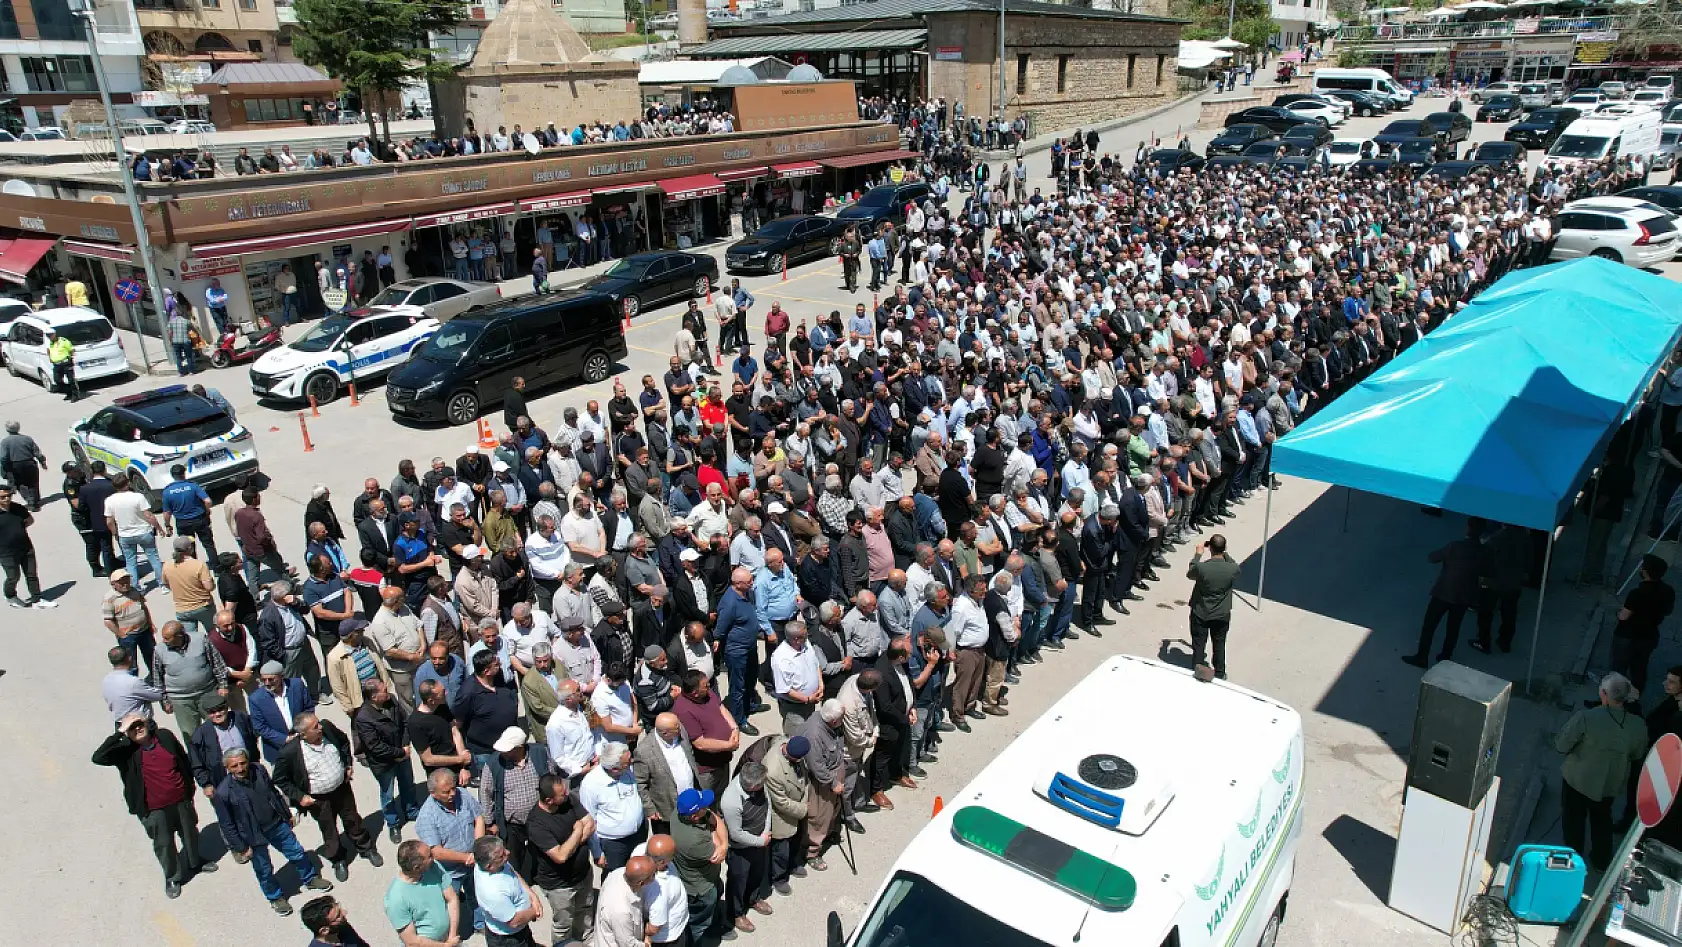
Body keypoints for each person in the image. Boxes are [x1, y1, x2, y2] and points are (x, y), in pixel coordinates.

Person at [92, 714, 214, 900]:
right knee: (164, 844)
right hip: (153, 809)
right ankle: (172, 877)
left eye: (139, 724)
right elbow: (98, 757)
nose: (137, 729)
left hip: (181, 801)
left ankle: (195, 862)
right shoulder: (125, 751)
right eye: (132, 728)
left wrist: (189, 788)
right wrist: (120, 733)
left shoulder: (165, 737)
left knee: (190, 833)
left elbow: (183, 759)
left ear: (147, 723)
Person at [211, 745, 334, 916]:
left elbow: (274, 794)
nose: (240, 768)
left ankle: (310, 878)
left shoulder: (259, 770)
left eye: (243, 763)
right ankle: (275, 898)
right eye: (234, 766)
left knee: (297, 852)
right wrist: (241, 847)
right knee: (264, 870)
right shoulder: (223, 792)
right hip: (253, 837)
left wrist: (286, 814)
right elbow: (227, 825)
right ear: (227, 768)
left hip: (276, 824)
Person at [274, 710, 383, 881]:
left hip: (342, 789)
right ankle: (338, 859)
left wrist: (347, 765)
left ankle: (366, 848)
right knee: (329, 829)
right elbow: (280, 779)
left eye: (318, 723)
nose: (320, 727)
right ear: (304, 734)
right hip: (318, 799)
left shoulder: (327, 729)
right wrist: (300, 796)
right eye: (315, 726)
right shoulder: (290, 752)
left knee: (352, 819)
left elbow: (344, 742)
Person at [1555, 673, 1648, 871]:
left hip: (1578, 780)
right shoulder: (1638, 724)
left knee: (1573, 821)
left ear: (1604, 694)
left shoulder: (1586, 717)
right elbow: (1637, 754)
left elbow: (1562, 745)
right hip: (1610, 784)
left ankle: (1572, 860)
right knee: (1602, 819)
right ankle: (1601, 859)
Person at [1404, 518, 1490, 668]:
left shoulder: (1455, 546)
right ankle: (1446, 656)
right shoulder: (1485, 552)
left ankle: (1422, 656)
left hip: (1444, 591)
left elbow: (1433, 557)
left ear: (1468, 529)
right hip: (1464, 595)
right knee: (1453, 627)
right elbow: (1489, 572)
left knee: (1430, 625)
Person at [415, 769, 486, 939]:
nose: (452, 794)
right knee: (448, 906)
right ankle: (449, 936)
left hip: (472, 863)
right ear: (433, 793)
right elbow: (436, 851)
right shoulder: (427, 816)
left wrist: (477, 848)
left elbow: (478, 818)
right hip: (449, 873)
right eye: (446, 792)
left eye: (453, 788)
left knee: (476, 894)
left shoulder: (462, 794)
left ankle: (480, 924)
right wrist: (466, 858)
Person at [527, 773, 597, 946]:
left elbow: (590, 823)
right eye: (562, 794)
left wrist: (571, 844)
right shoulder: (536, 823)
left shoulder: (569, 799)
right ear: (549, 800)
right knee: (564, 923)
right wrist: (577, 831)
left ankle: (584, 941)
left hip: (583, 875)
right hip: (559, 885)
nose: (567, 794)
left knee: (585, 912)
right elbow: (560, 856)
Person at [353, 677, 422, 844]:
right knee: (387, 794)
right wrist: (400, 752)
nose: (388, 692)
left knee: (408, 784)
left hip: (402, 754)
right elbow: (375, 746)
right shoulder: (364, 718)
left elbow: (404, 722)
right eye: (384, 691)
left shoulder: (391, 700)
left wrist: (405, 744)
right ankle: (393, 823)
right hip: (384, 763)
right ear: (374, 697)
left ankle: (411, 811)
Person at [1610, 555, 1677, 695]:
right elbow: (1667, 611)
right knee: (1639, 669)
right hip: (1649, 636)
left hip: (1627, 636)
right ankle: (1634, 696)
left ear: (1645, 572)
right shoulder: (1668, 591)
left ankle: (1614, 697)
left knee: (1619, 669)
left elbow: (1623, 616)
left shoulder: (1636, 593)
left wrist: (1618, 611)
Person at [721, 759, 774, 933]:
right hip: (740, 849)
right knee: (737, 883)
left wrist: (765, 831)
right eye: (761, 784)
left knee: (756, 874)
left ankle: (753, 898)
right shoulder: (731, 800)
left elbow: (768, 805)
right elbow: (736, 833)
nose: (764, 785)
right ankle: (735, 914)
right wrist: (760, 841)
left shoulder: (759, 784)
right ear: (751, 786)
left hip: (760, 840)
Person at [580, 742, 647, 874]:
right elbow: (589, 821)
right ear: (615, 769)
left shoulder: (628, 770)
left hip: (638, 835)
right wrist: (597, 852)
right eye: (627, 762)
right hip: (614, 845)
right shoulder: (591, 785)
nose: (632, 762)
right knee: (615, 878)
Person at [384, 840, 463, 947]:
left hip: (448, 938)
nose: (434, 856)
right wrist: (445, 946)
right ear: (417, 868)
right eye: (430, 856)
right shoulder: (396, 899)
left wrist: (452, 936)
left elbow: (452, 898)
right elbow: (412, 941)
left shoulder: (434, 867)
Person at [633, 712, 699, 834]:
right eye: (677, 728)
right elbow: (640, 783)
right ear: (665, 733)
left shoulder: (680, 731)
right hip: (666, 811)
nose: (680, 729)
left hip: (691, 802)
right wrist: (650, 809)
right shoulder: (644, 751)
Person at [472, 835, 544, 947]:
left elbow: (512, 872)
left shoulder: (497, 864)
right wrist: (535, 911)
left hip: (521, 929)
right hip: (509, 940)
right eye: (502, 855)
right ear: (489, 866)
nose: (508, 852)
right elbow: (514, 921)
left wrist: (532, 895)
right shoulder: (493, 892)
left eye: (504, 848)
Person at [1185, 534, 1239, 680]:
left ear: (1211, 548)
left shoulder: (1202, 567)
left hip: (1201, 612)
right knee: (1219, 644)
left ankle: (1198, 671)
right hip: (1221, 614)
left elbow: (1190, 573)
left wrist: (1197, 555)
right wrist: (1224, 553)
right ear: (1224, 548)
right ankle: (1220, 674)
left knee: (1199, 644)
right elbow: (1234, 564)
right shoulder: (1232, 568)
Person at [0, 482, 52, 608]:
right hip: (6, 552)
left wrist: (18, 530)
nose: (7, 499)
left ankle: (37, 599)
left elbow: (30, 520)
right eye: (3, 497)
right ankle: (10, 595)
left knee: (31, 574)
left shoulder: (17, 508)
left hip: (25, 547)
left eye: (9, 496)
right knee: (13, 576)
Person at [593, 855, 658, 947]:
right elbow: (627, 944)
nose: (656, 876)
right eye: (654, 874)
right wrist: (646, 944)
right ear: (641, 883)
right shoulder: (621, 911)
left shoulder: (619, 872)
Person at [0, 420, 47, 510]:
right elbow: (37, 452)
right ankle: (35, 501)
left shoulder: (5, 442)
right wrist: (43, 462)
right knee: (33, 483)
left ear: (7, 429)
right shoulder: (27, 439)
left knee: (19, 483)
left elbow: (3, 457)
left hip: (15, 465)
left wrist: (5, 468)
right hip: (30, 463)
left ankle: (30, 501)